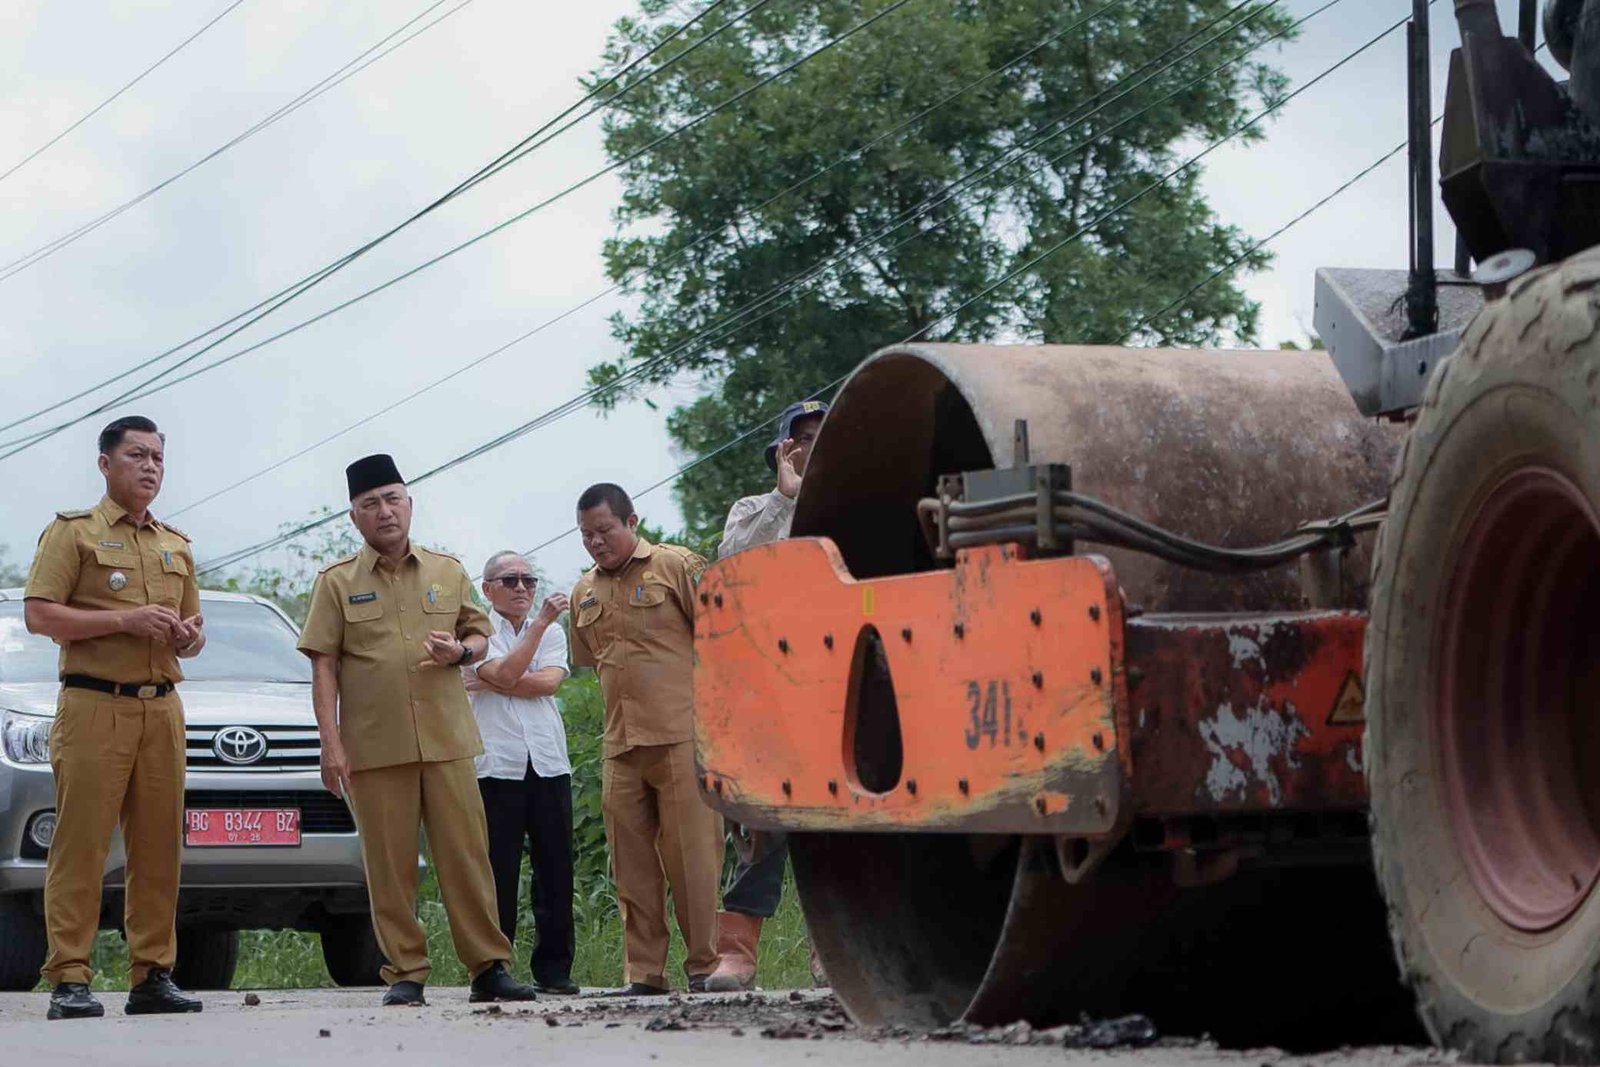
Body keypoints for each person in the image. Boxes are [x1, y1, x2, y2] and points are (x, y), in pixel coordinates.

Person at [297, 454, 537, 1007]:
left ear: (409, 504)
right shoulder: (336, 584)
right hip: (375, 747)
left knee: (467, 858)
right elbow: (323, 665)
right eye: (370, 504)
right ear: (354, 516)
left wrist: (460, 652)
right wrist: (330, 745)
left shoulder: (446, 571)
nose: (384, 512)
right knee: (389, 865)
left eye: (392, 499)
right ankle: (406, 970)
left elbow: (479, 637)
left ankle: (488, 967)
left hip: (448, 740)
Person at [22, 415, 206, 1020]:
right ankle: (70, 977)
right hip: (93, 703)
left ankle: (152, 974)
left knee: (159, 848)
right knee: (82, 844)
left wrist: (186, 637)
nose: (150, 466)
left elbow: (193, 633)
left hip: (162, 709)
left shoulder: (175, 544)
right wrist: (123, 621)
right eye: (137, 455)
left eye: (158, 456)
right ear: (106, 464)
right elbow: (41, 616)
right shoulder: (72, 534)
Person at [569, 483, 722, 995]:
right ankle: (644, 973)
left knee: (693, 860)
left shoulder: (676, 566)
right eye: (587, 534)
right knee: (631, 869)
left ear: (632, 522)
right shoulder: (582, 592)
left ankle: (704, 965)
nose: (596, 542)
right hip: (620, 746)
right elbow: (593, 662)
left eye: (605, 530)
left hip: (680, 736)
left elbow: (719, 637)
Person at [707, 399, 829, 992]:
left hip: (836, 682)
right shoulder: (754, 509)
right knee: (760, 820)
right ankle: (737, 952)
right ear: (782, 448)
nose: (811, 446)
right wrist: (785, 497)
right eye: (800, 437)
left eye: (821, 436)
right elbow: (732, 565)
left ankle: (831, 950)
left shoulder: (852, 504)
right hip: (767, 686)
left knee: (835, 822)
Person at [463, 550, 577, 995]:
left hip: (547, 759)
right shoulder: (475, 633)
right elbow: (511, 672)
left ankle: (554, 969)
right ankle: (494, 968)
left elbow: (548, 682)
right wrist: (508, 671)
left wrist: (494, 678)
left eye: (529, 581)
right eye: (509, 580)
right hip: (495, 761)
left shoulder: (550, 630)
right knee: (497, 870)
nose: (522, 589)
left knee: (555, 868)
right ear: (487, 587)